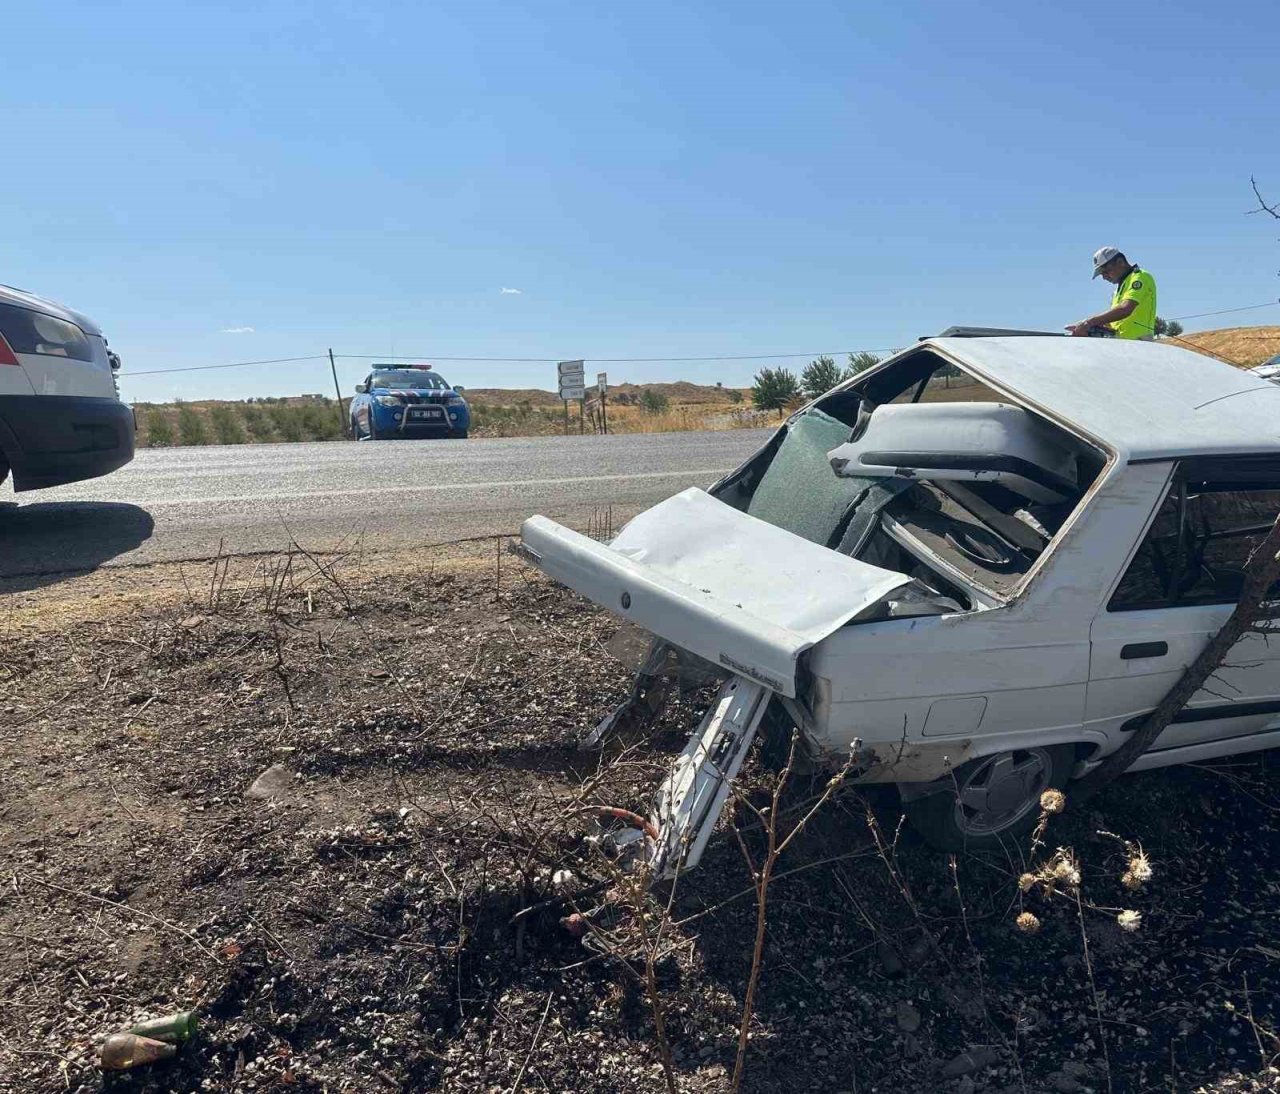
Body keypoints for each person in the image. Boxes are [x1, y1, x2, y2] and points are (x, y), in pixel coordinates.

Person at [1068, 246, 1157, 339]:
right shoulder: (1119, 290)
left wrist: (1088, 323)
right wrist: (1095, 326)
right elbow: (1117, 321)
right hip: (1123, 345)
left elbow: (1125, 309)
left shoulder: (1140, 277)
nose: (1104, 277)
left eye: (1106, 271)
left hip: (1140, 344)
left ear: (1120, 262)